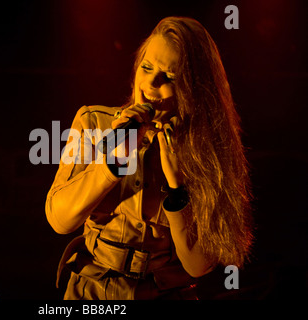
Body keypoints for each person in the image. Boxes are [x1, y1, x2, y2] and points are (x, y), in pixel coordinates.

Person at [45, 16, 253, 300]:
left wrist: (177, 187)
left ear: (196, 89)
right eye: (147, 67)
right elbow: (60, 220)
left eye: (170, 76)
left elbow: (198, 266)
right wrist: (112, 162)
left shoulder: (208, 151)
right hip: (91, 294)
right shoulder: (94, 122)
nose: (151, 83)